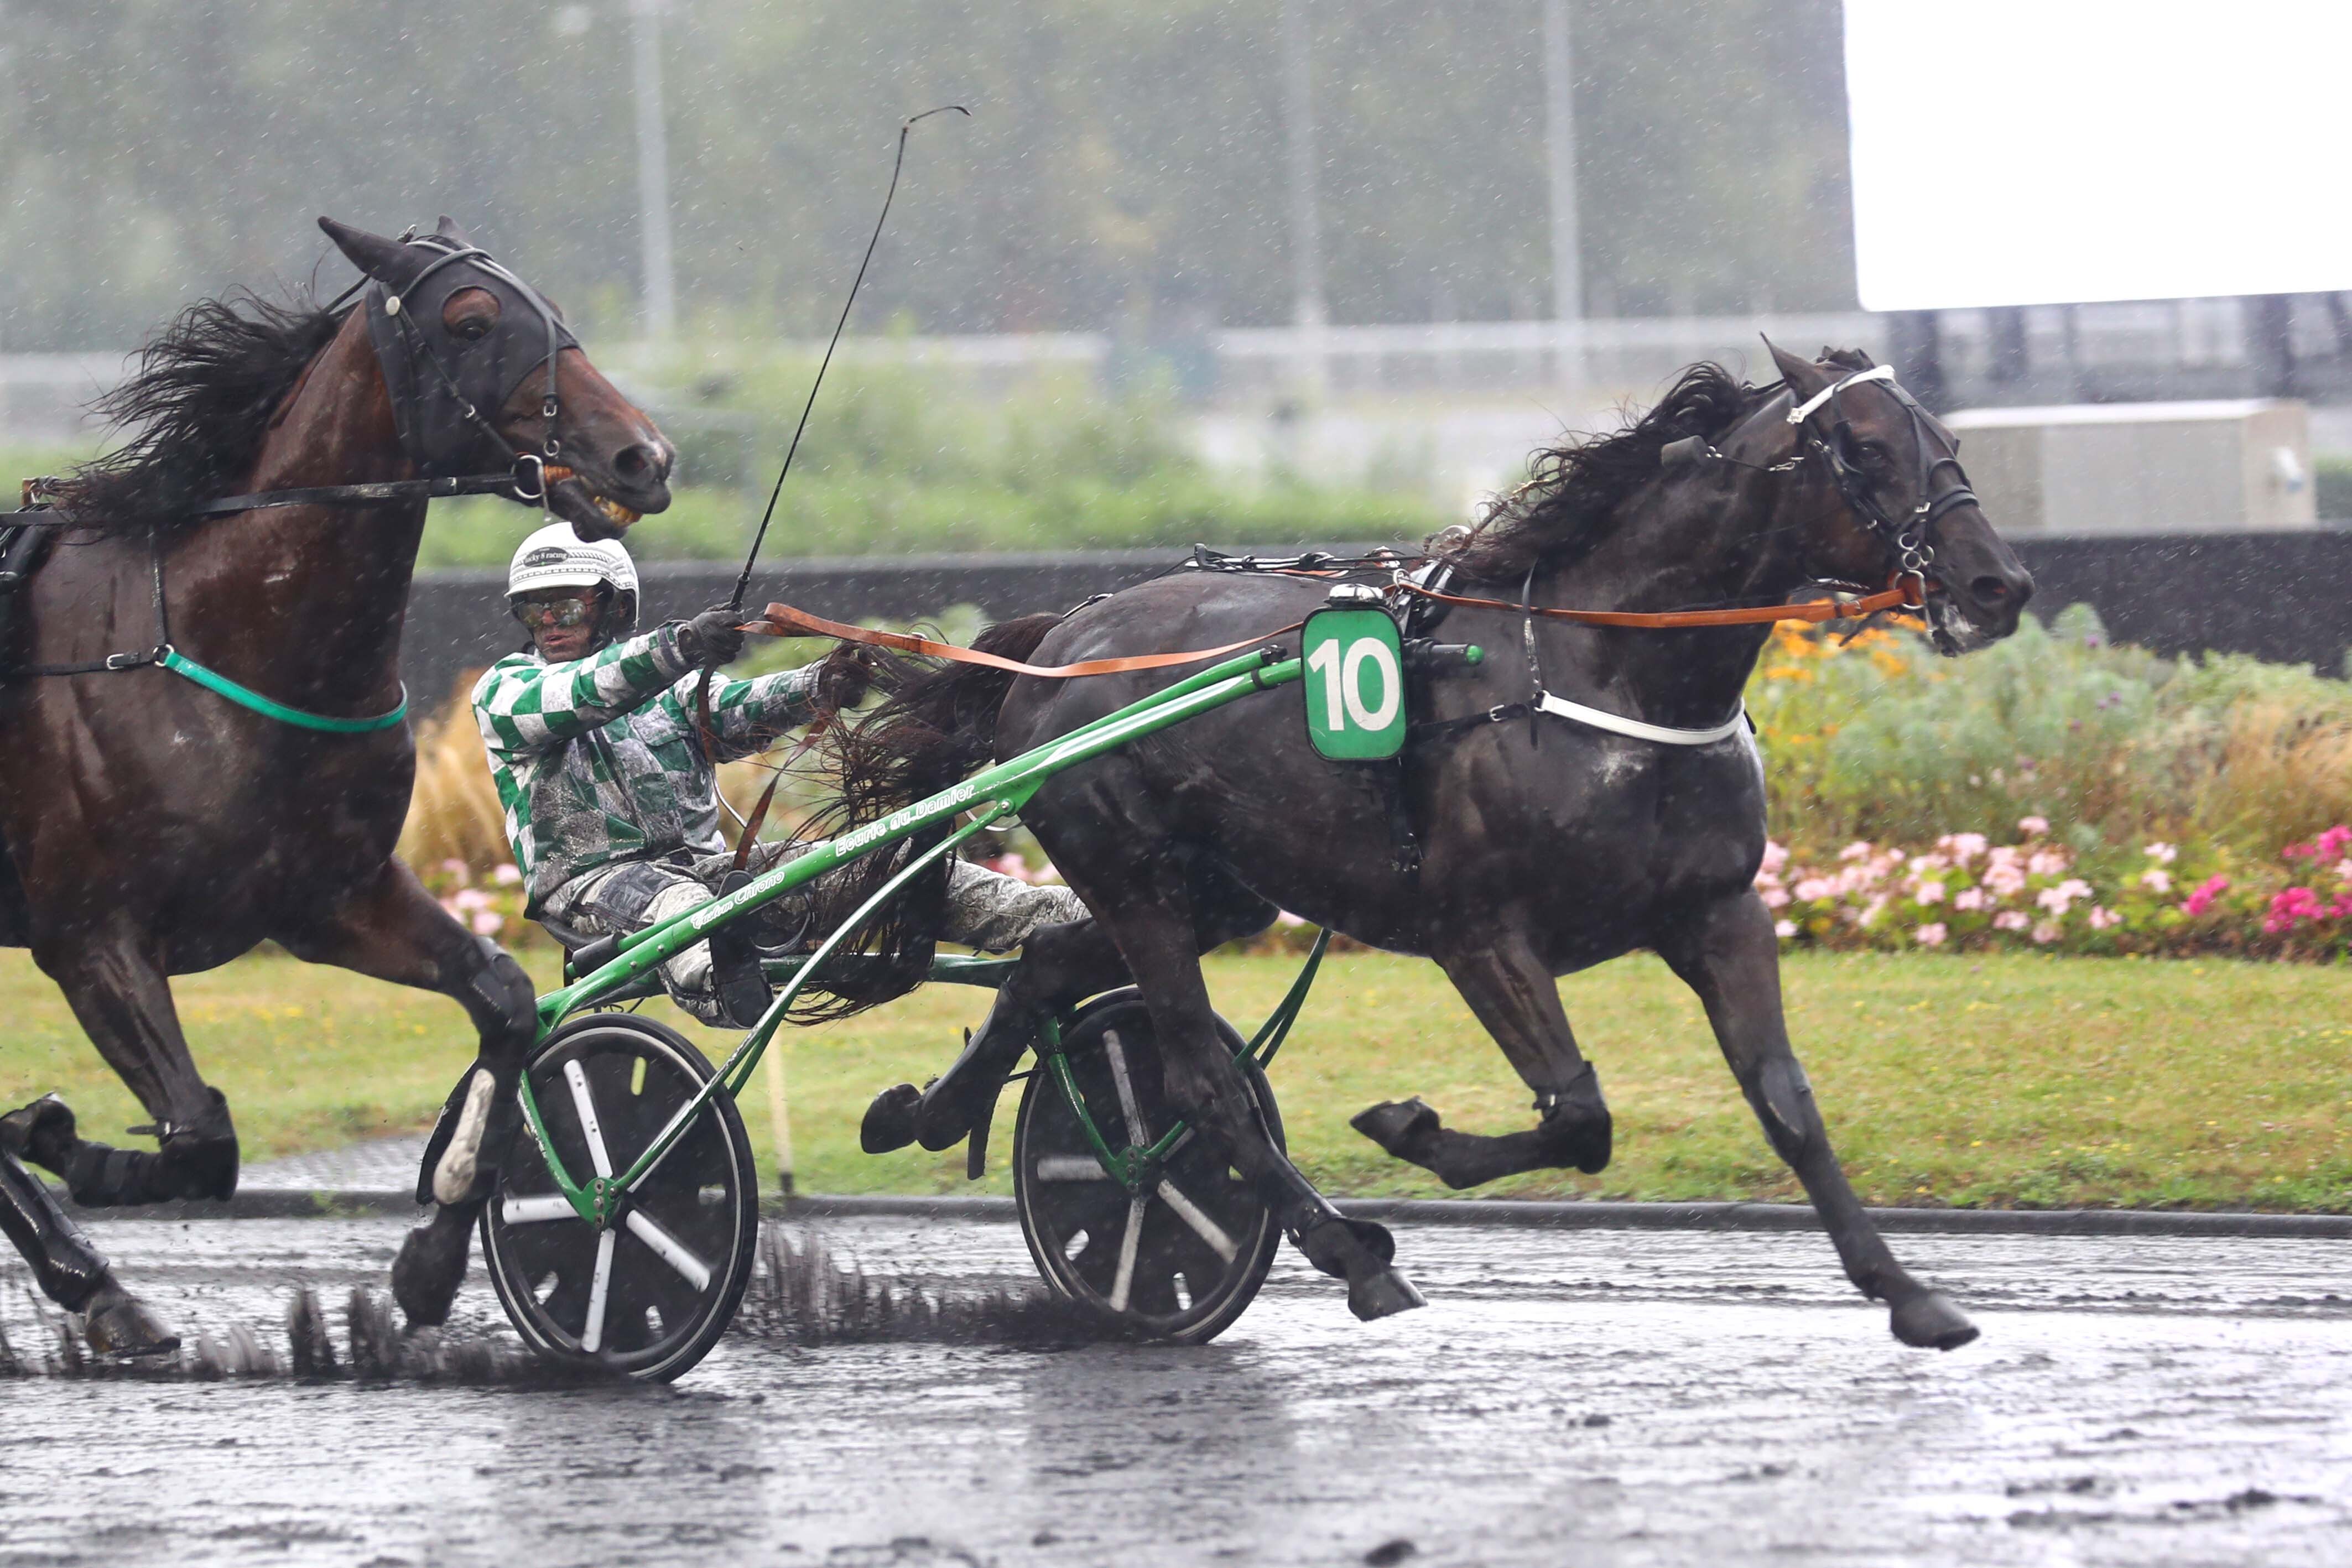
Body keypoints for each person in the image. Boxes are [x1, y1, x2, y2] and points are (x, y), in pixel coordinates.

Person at [475, 523, 1087, 1028]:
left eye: (566, 605)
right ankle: (724, 985)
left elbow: (743, 711)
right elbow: (583, 694)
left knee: (895, 861)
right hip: (591, 889)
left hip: (709, 877)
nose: (549, 622)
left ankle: (1073, 919)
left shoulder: (677, 694)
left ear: (616, 606)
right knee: (686, 906)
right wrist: (682, 642)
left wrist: (821, 684)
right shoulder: (507, 691)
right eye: (534, 609)